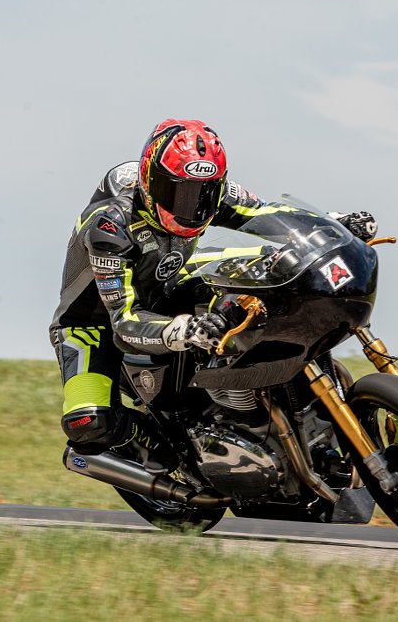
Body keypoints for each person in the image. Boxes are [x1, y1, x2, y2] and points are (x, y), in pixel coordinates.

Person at [48, 118, 376, 473]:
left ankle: (261, 400)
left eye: (201, 193)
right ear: (149, 180)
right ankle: (167, 460)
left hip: (171, 286)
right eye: (178, 192)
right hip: (94, 326)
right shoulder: (110, 227)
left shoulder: (212, 194)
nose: (190, 206)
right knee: (90, 423)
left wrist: (332, 226)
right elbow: (124, 322)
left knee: (268, 277)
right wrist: (185, 330)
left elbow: (268, 215)